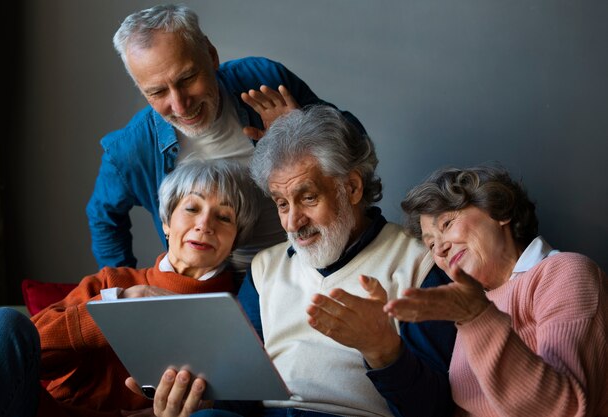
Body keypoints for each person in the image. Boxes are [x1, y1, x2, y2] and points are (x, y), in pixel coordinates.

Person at [137, 106, 457, 417]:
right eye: (281, 203)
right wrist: (198, 402)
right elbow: (241, 393)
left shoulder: (419, 262)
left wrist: (383, 350)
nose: (292, 222)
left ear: (352, 187)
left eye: (307, 198)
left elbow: (433, 409)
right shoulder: (264, 269)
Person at [86, 4, 365, 274]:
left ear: (211, 54)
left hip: (309, 261)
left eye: (187, 78)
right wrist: (120, 288)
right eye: (157, 92)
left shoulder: (263, 79)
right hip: (218, 284)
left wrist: (303, 130)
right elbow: (103, 218)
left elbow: (358, 144)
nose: (181, 105)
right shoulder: (131, 149)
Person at [0, 158, 260, 417]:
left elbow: (250, 396)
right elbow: (27, 355)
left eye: (224, 217)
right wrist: (114, 306)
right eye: (191, 208)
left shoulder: (241, 308)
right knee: (2, 322)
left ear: (236, 239)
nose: (204, 225)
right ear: (166, 222)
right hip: (55, 411)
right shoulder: (113, 282)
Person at [384, 165, 608, 416]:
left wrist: (477, 317)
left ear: (499, 210)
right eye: (431, 244)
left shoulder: (565, 272)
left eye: (447, 224)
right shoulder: (477, 304)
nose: (440, 250)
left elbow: (565, 409)